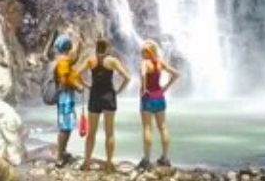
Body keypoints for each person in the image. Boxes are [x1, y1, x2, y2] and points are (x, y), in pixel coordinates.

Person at [83, 38, 132, 171]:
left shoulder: (90, 60)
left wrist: (87, 85)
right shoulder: (112, 60)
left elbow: (76, 74)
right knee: (109, 133)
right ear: (108, 48)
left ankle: (86, 162)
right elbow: (127, 77)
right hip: (109, 96)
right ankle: (109, 163)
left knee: (91, 133)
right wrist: (119, 91)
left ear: (96, 47)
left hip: (94, 96)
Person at [138, 40, 182, 168]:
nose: (141, 54)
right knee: (163, 127)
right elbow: (176, 74)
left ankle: (146, 160)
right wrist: (166, 88)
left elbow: (143, 74)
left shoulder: (144, 63)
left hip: (147, 98)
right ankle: (165, 158)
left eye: (143, 52)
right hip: (159, 97)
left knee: (147, 128)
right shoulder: (160, 62)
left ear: (148, 52)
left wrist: (145, 88)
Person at [51, 34, 87, 166]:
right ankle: (60, 156)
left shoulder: (64, 59)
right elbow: (64, 81)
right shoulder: (63, 62)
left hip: (66, 96)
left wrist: (80, 47)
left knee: (67, 125)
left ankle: (63, 151)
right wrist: (78, 86)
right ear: (67, 46)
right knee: (64, 127)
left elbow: (74, 59)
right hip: (65, 97)